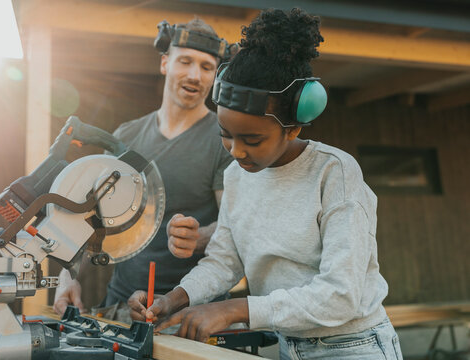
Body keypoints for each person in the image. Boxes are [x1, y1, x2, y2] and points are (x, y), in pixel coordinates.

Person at [129, 8, 403, 360]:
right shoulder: (236, 175)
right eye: (225, 135)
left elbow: (341, 295)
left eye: (253, 140)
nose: (237, 151)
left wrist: (235, 309)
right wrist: (173, 298)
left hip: (353, 347)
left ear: (294, 127)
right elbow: (223, 261)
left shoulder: (334, 173)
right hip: (289, 346)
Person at [53, 17, 234, 322]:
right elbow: (93, 214)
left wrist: (200, 236)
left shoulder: (225, 139)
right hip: (122, 306)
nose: (194, 75)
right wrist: (67, 275)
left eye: (206, 67)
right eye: (185, 61)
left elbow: (233, 224)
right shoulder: (127, 136)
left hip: (191, 315)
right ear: (165, 63)